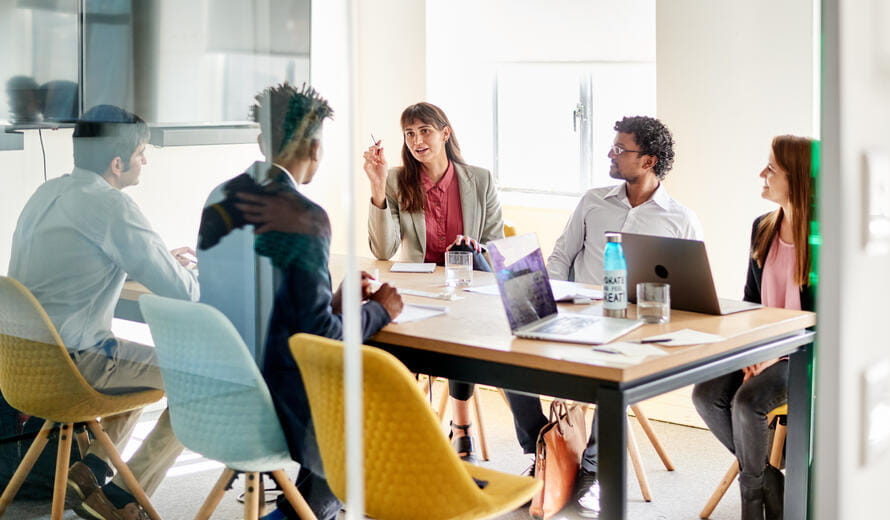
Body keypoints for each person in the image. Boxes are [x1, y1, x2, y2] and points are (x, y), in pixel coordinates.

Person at [198, 83, 403, 520]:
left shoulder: (220, 198)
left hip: (220, 390)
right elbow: (318, 337)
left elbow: (267, 306)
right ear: (315, 147)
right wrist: (379, 310)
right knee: (378, 407)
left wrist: (335, 300)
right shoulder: (304, 216)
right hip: (278, 400)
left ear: (260, 141)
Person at [7, 104, 199, 520]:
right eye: (142, 152)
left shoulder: (46, 194)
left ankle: (91, 469)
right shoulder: (112, 207)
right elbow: (181, 292)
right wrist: (202, 277)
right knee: (198, 376)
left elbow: (73, 262)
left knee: (135, 363)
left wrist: (152, 258)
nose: (146, 159)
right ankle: (124, 497)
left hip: (20, 366)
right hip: (74, 367)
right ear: (117, 163)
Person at [507, 115, 704, 517]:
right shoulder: (593, 200)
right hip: (574, 313)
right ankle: (540, 451)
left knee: (612, 378)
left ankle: (594, 471)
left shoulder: (679, 219)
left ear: (648, 161)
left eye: (620, 149)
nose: (610, 155)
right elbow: (562, 256)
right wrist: (544, 299)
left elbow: (688, 295)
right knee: (508, 359)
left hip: (631, 329)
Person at [364, 102, 504, 463]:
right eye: (409, 133)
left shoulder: (480, 179)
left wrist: (478, 248)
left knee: (461, 335)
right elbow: (383, 250)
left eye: (424, 130)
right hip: (418, 289)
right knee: (391, 343)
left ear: (445, 132)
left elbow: (496, 247)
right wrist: (378, 188)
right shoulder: (396, 180)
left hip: (468, 289)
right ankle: (411, 432)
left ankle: (461, 431)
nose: (416, 140)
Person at [692, 135, 815, 520]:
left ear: (797, 180)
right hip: (764, 346)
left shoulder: (823, 239)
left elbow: (825, 322)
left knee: (748, 402)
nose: (761, 174)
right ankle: (771, 482)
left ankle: (753, 503)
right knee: (706, 392)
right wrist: (751, 351)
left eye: (772, 169)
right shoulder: (762, 227)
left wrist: (770, 352)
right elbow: (750, 301)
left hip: (805, 351)